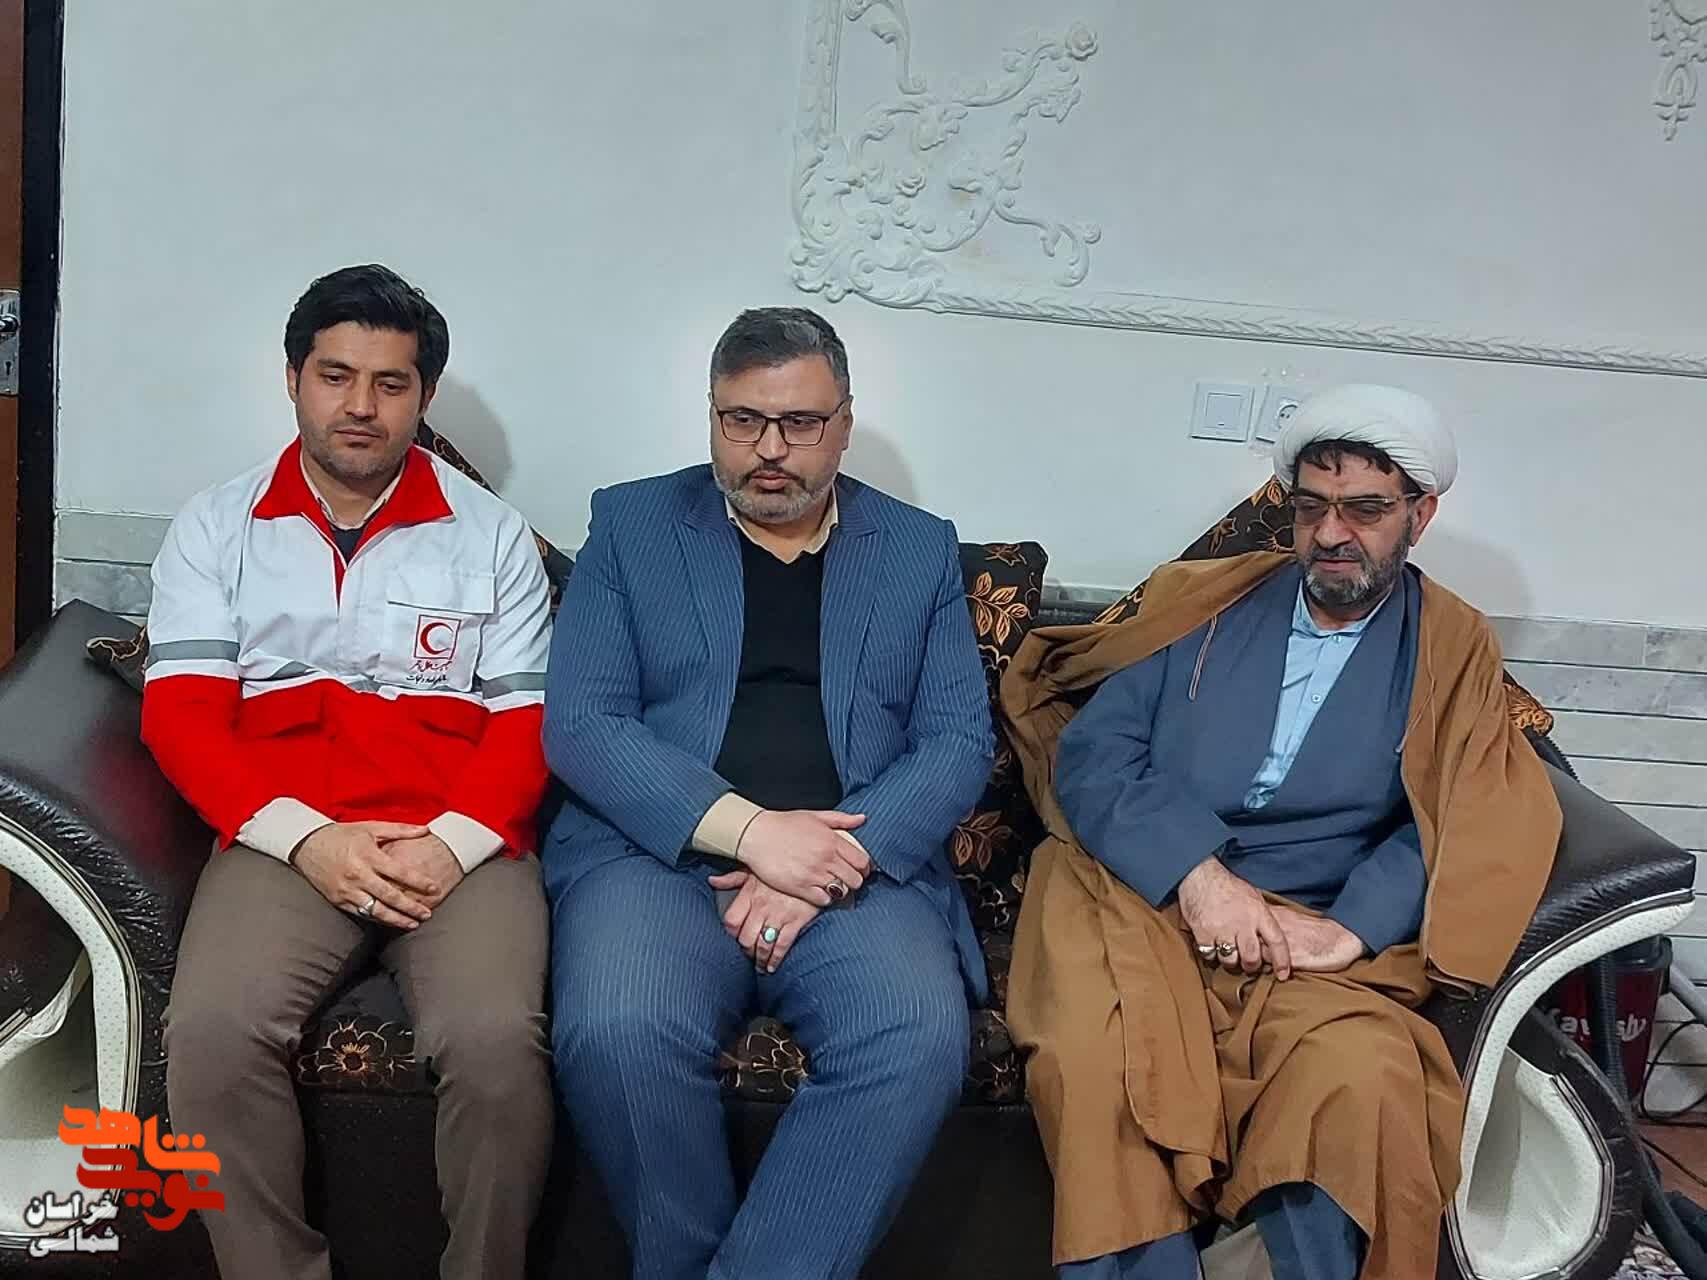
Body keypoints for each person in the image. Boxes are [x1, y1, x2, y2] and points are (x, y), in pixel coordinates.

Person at [999, 384, 1561, 1280]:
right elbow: (1096, 754)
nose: (1331, 533)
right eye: (1311, 508)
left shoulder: (1451, 644)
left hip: (1297, 930)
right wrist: (1195, 875)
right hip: (1129, 892)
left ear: (1419, 515)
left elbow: (1460, 812)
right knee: (1096, 1061)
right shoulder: (1201, 603)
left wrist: (1350, 930)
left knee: (1364, 1074)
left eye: (1364, 510)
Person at [542, 306, 994, 1280]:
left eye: (798, 422)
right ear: (712, 416)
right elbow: (582, 722)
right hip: (659, 857)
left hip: (855, 865)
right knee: (617, 1028)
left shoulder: (916, 547)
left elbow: (957, 740)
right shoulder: (631, 525)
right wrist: (754, 834)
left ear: (844, 423)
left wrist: (833, 856)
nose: (770, 450)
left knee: (913, 1038)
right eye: (742, 420)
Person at [145, 264, 554, 1280]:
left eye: (390, 383)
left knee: (497, 1045)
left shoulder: (492, 537)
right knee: (209, 1036)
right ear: (293, 379)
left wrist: (451, 845)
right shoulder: (216, 526)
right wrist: (307, 840)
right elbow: (182, 720)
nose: (360, 405)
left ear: (424, 395)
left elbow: (529, 724)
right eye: (336, 375)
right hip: (286, 837)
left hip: (459, 841)